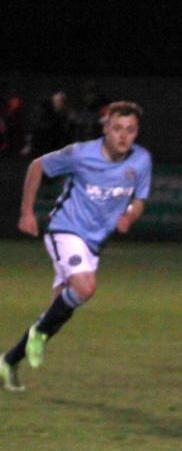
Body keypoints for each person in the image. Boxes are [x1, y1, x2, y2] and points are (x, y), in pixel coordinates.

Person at [1, 102, 152, 392]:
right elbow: (37, 166)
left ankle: (9, 361)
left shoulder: (142, 160)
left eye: (130, 130)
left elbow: (140, 200)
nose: (123, 136)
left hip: (94, 244)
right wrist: (27, 212)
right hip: (66, 229)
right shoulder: (81, 154)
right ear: (105, 128)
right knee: (86, 288)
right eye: (117, 128)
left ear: (136, 133)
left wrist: (131, 215)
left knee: (57, 313)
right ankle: (37, 334)